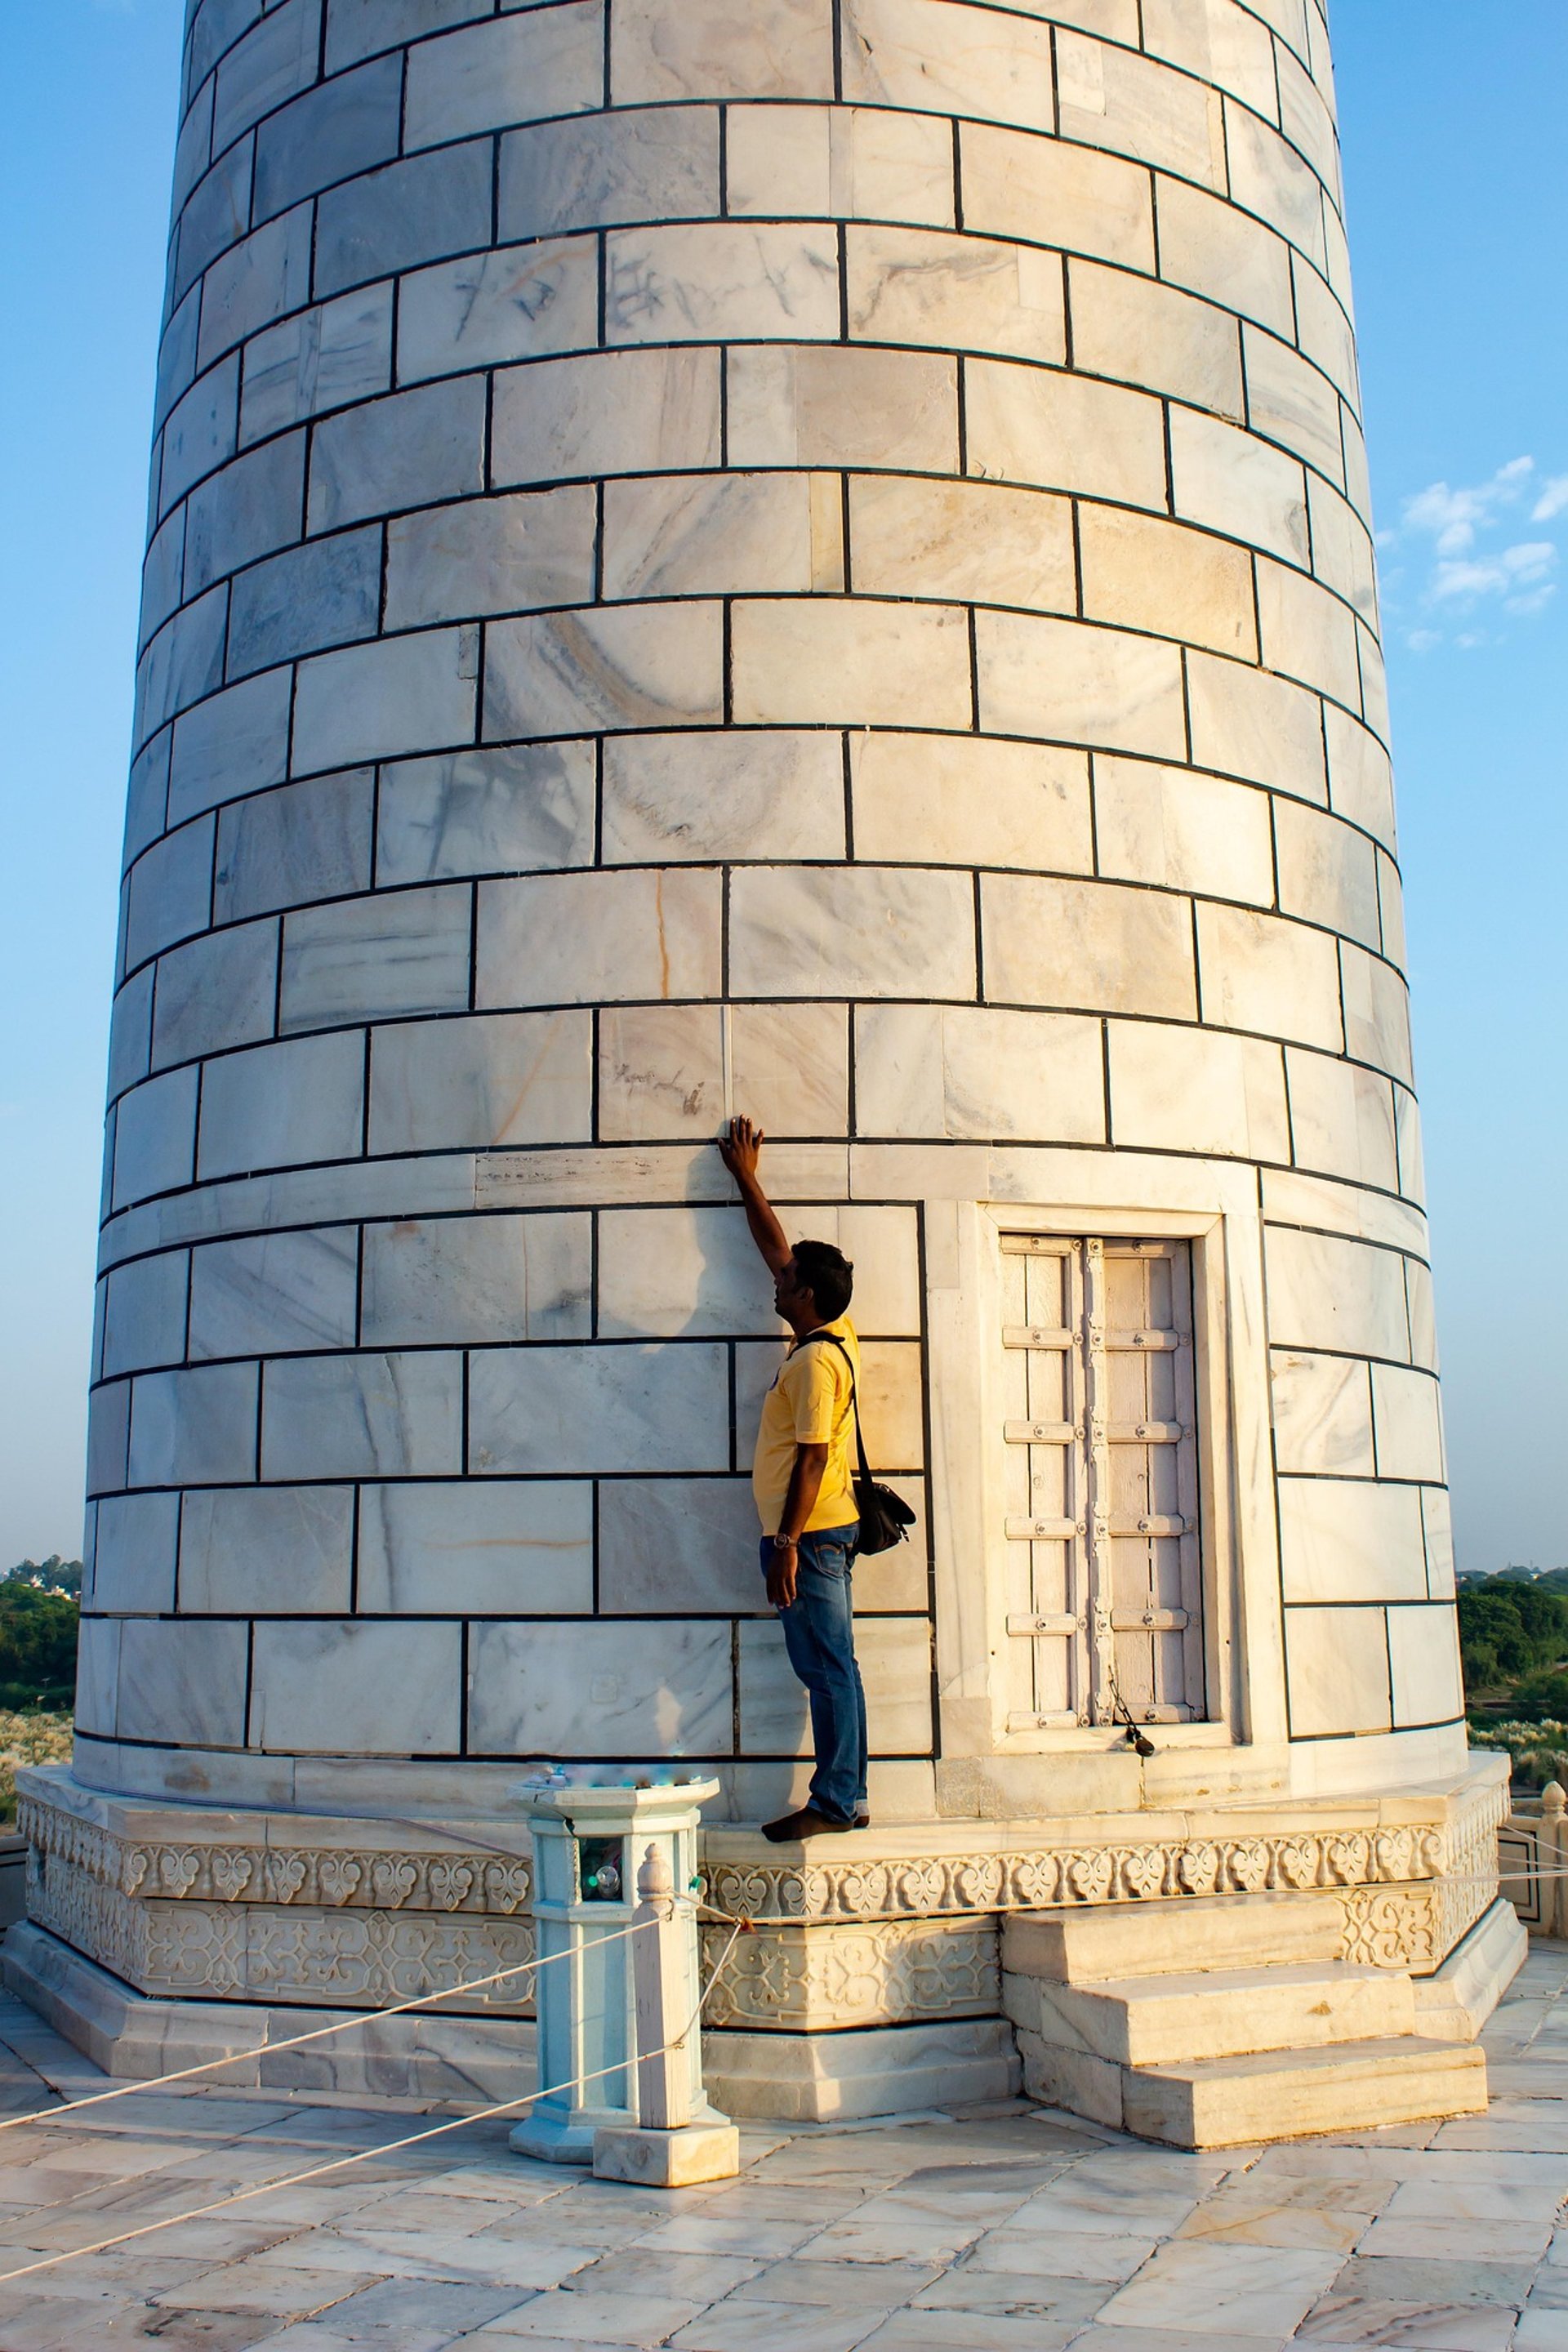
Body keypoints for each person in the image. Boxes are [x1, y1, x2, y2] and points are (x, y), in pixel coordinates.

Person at [719, 1116, 869, 1842]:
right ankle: (842, 1796)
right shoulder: (830, 1333)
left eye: (787, 1283)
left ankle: (838, 1801)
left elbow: (811, 1459)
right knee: (828, 1665)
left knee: (830, 1667)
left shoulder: (813, 1362)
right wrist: (748, 1179)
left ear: (808, 1296)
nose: (776, 1284)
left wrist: (784, 1539)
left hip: (808, 1535)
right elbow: (780, 1250)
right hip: (814, 1531)